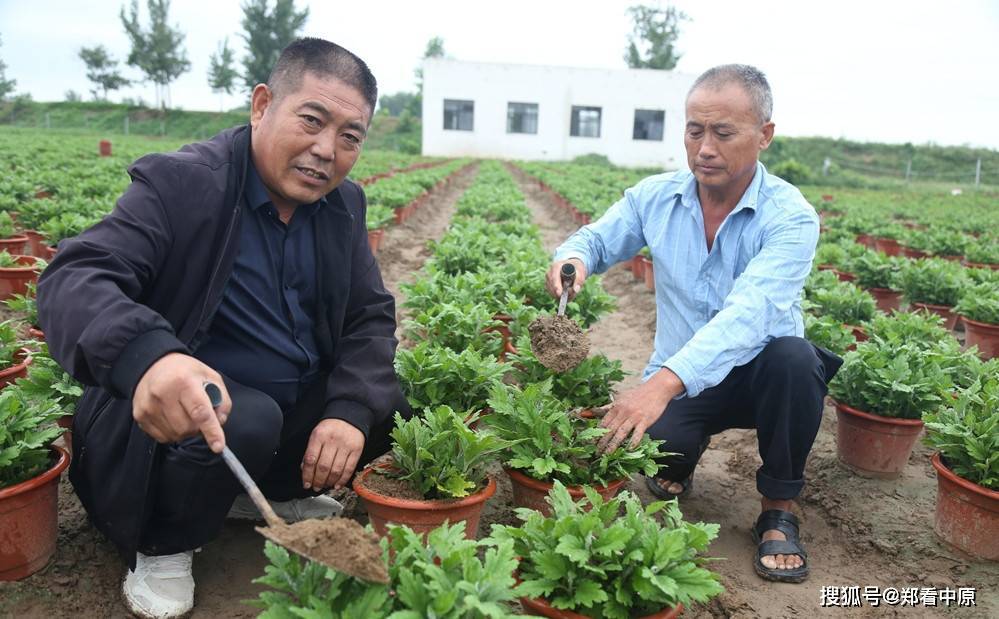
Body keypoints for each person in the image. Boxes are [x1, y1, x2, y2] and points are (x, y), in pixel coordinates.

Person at [37, 38, 409, 618]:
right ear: (262, 105)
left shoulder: (342, 207)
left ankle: (263, 495)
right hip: (169, 428)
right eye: (311, 120)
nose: (325, 150)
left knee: (387, 403)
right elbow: (75, 276)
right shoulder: (184, 184)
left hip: (270, 421)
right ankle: (162, 542)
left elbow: (369, 315)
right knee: (245, 414)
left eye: (349, 136)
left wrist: (348, 413)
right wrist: (148, 358)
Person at [546, 64, 841, 584]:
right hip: (684, 374)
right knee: (660, 443)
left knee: (796, 360)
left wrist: (658, 385)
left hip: (761, 374)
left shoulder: (790, 217)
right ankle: (683, 457)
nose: (705, 147)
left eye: (723, 133)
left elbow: (749, 316)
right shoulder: (655, 197)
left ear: (764, 135)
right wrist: (575, 260)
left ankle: (778, 508)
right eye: (694, 130)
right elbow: (595, 238)